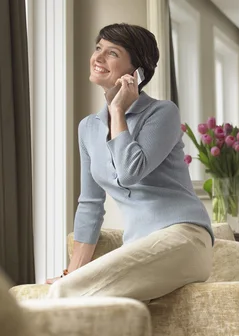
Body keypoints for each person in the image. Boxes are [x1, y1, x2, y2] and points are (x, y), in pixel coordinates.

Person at [45, 23, 214, 302]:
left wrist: (118, 112)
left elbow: (129, 172)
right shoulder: (88, 128)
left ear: (137, 72)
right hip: (141, 246)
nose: (98, 57)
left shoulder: (162, 113)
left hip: (185, 239)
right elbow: (89, 204)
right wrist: (73, 270)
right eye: (98, 48)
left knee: (66, 293)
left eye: (112, 53)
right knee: (74, 288)